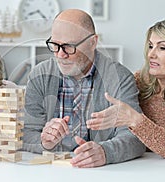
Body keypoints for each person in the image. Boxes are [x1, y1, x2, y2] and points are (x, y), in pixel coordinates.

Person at [22, 9, 146, 168]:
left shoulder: (120, 77)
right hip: (52, 170)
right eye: (54, 45)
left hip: (103, 172)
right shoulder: (39, 75)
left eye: (68, 46)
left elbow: (136, 136)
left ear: (92, 42)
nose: (60, 55)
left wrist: (105, 152)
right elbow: (26, 133)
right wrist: (44, 142)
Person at [86, 16, 165, 159]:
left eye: (162, 48)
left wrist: (135, 119)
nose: (151, 54)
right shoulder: (140, 80)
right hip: (144, 161)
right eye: (150, 46)